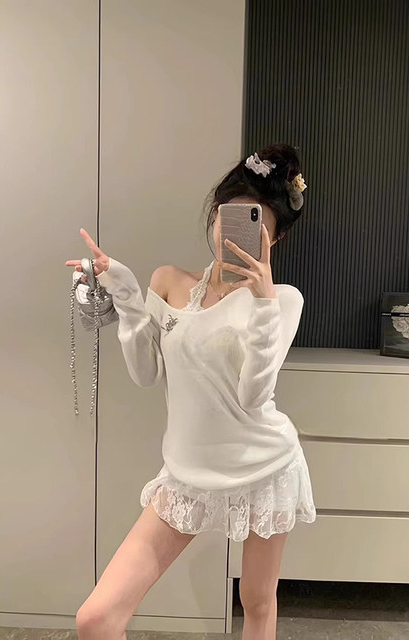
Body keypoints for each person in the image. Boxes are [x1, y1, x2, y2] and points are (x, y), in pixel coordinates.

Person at [66, 144, 316, 640]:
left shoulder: (283, 301)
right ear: (215, 215)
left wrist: (263, 303)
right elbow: (145, 373)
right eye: (227, 214)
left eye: (253, 223)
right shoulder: (170, 282)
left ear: (276, 237)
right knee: (96, 618)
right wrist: (125, 291)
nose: (231, 230)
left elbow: (253, 396)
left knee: (257, 601)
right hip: (187, 472)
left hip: (265, 465)